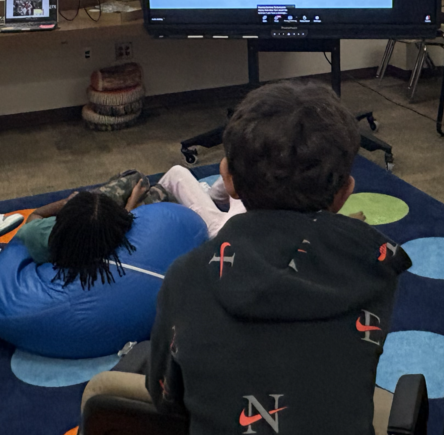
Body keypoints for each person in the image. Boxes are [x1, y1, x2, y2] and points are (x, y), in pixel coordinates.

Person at [146, 81, 411, 433]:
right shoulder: (373, 267)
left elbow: (165, 397)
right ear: (345, 192)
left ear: (228, 179)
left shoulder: (185, 276)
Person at [13, 171, 164, 289]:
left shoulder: (40, 235)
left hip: (86, 221)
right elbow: (118, 229)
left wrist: (66, 203)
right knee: (146, 184)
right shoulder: (110, 245)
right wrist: (131, 202)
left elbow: (35, 215)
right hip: (105, 220)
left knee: (133, 181)